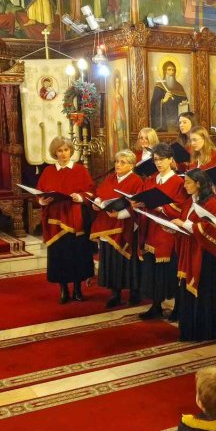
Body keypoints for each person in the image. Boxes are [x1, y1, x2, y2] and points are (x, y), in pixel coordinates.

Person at [36, 137, 95, 304]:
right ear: (55, 152)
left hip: (75, 219)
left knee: (77, 254)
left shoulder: (80, 170)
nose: (63, 154)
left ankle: (77, 289)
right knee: (59, 256)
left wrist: (80, 196)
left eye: (66, 150)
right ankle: (63, 290)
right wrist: (41, 201)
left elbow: (91, 191)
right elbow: (39, 193)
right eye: (60, 150)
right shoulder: (48, 171)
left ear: (71, 151)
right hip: (55, 221)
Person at [135, 143, 191, 320]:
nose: (158, 163)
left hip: (168, 232)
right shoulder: (151, 180)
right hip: (151, 229)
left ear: (170, 160)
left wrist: (162, 207)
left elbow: (182, 207)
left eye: (162, 159)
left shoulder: (178, 182)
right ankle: (156, 305)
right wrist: (139, 203)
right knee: (152, 270)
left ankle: (177, 308)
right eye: (156, 160)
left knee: (169, 272)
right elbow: (143, 197)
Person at [173, 169, 216, 342]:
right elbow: (185, 223)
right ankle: (190, 328)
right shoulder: (189, 202)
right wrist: (174, 227)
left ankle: (206, 330)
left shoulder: (211, 203)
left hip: (205, 254)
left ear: (199, 184)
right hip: (190, 250)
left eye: (188, 182)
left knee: (204, 292)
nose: (185, 185)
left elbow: (212, 228)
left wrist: (186, 225)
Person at [90, 149, 143, 309]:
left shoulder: (137, 181)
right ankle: (115, 293)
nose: (118, 165)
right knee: (111, 259)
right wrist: (97, 202)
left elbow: (138, 205)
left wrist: (120, 214)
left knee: (128, 261)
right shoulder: (111, 178)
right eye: (117, 162)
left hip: (125, 224)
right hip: (107, 224)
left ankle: (134, 291)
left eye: (122, 162)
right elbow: (100, 193)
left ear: (132, 165)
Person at [150, 60, 190, 132]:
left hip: (177, 122)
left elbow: (186, 104)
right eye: (169, 69)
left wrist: (183, 104)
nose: (172, 72)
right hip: (165, 123)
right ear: (165, 71)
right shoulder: (159, 86)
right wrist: (163, 100)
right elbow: (153, 106)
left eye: (173, 70)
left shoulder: (179, 86)